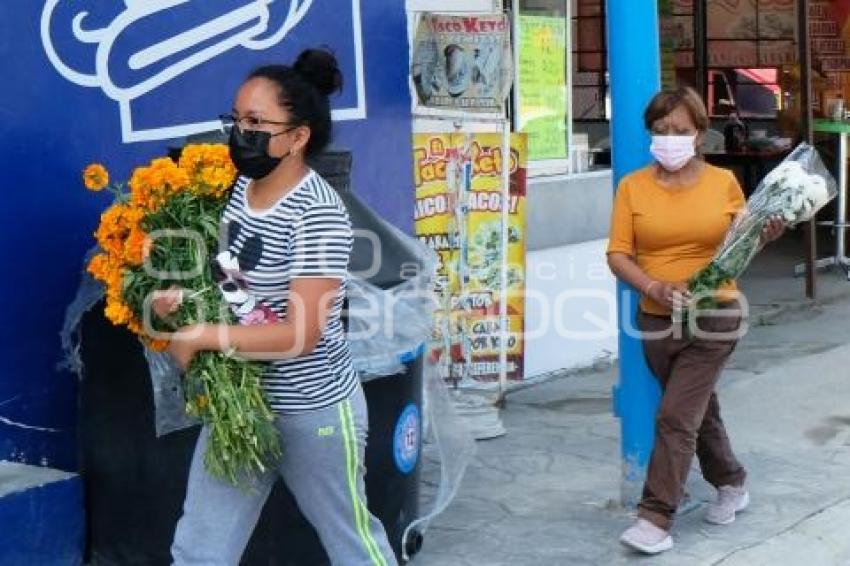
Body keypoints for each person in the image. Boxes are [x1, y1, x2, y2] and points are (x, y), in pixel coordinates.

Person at [153, 48, 398, 566]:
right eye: (236, 119)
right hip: (240, 405)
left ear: (299, 136)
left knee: (351, 542)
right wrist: (183, 302)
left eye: (256, 123)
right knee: (199, 548)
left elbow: (299, 336)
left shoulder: (317, 215)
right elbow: (231, 282)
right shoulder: (239, 188)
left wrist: (202, 337)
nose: (240, 133)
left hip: (315, 410)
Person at [606, 87, 785, 555]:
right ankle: (731, 481)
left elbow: (742, 244)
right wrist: (654, 287)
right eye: (661, 131)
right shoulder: (632, 187)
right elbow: (618, 254)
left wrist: (766, 234)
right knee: (697, 411)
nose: (670, 139)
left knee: (675, 416)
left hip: (716, 316)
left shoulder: (723, 182)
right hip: (657, 321)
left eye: (680, 131)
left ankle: (655, 518)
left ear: (700, 135)